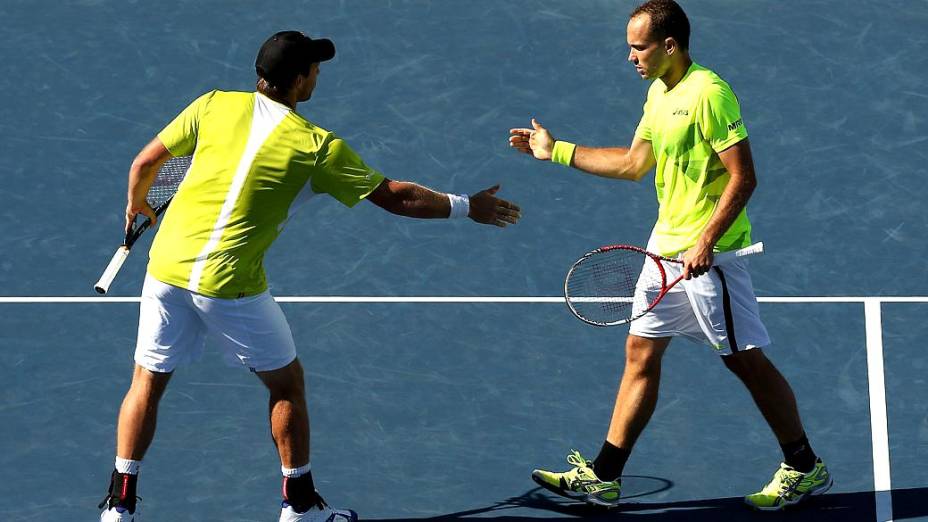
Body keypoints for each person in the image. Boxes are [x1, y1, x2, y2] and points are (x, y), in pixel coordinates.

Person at [98, 30, 522, 522]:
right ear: (298, 80)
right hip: (229, 285)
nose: (319, 75)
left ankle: (119, 505)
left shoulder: (211, 105)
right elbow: (395, 196)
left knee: (146, 380)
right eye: (315, 69)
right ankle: (299, 506)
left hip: (165, 271)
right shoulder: (316, 146)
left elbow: (144, 163)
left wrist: (137, 204)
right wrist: (468, 207)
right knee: (286, 385)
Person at [509, 0, 830, 512]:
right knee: (640, 351)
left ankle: (803, 465)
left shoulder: (709, 93)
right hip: (665, 249)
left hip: (709, 256)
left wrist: (705, 241)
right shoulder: (660, 93)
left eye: (638, 47)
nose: (631, 56)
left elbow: (744, 176)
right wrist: (557, 151)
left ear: (669, 46)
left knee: (745, 362)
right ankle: (605, 475)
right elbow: (636, 163)